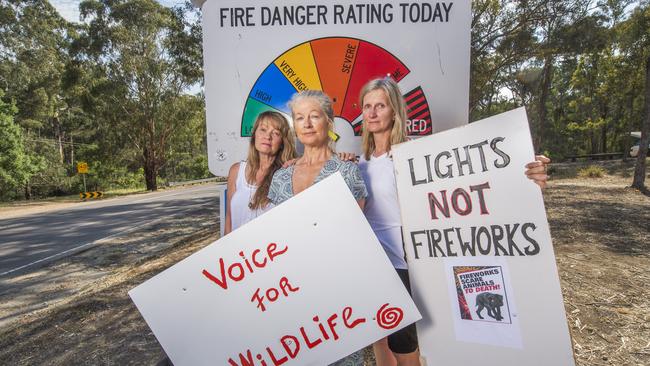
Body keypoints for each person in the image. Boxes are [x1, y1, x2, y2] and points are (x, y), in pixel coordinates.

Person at [357, 77, 551, 366]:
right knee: (380, 337)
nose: (372, 113)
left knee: (406, 344)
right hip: (374, 263)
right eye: (367, 106)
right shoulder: (359, 162)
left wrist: (522, 167)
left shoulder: (418, 155)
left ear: (394, 111)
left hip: (408, 264)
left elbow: (475, 178)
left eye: (380, 106)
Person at [268, 90, 368, 366]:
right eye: (300, 118)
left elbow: (358, 237)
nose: (307, 123)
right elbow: (274, 238)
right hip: (291, 289)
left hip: (337, 286)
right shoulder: (281, 176)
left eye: (314, 116)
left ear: (329, 122)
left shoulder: (347, 171)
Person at [224, 111, 297, 235]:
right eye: (263, 130)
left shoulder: (288, 174)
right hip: (238, 252)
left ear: (282, 143)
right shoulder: (236, 171)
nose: (268, 137)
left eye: (276, 133)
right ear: (254, 135)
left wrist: (338, 158)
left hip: (270, 252)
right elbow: (229, 220)